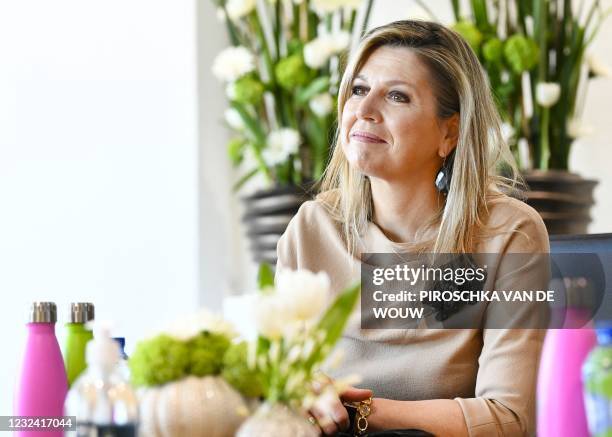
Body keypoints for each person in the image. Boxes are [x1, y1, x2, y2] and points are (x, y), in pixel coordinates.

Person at [276, 20, 550, 437]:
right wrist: (299, 392)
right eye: (358, 89)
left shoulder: (509, 232)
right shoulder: (312, 229)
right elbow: (278, 385)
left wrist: (364, 411)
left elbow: (506, 417)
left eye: (397, 96)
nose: (364, 111)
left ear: (449, 132)